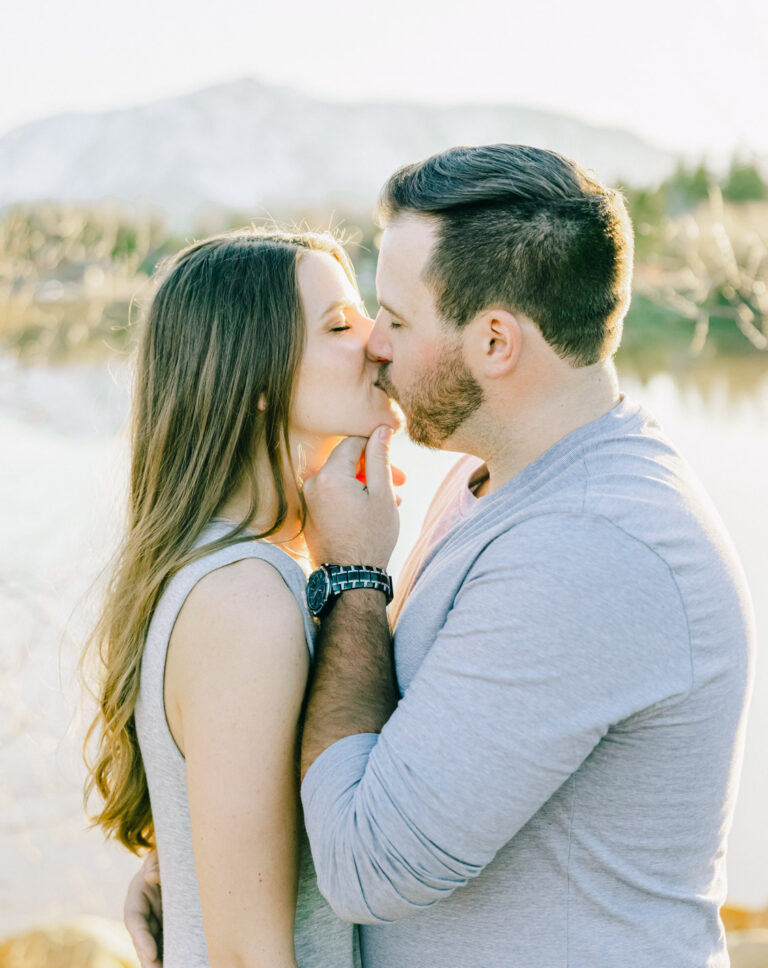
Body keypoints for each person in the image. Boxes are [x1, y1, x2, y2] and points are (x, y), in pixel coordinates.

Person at [127, 145, 755, 968]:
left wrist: (352, 578)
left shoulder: (595, 546)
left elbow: (366, 866)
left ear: (495, 341)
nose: (376, 346)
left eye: (393, 317)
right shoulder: (487, 480)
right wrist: (209, 842)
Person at [83, 228, 402, 968]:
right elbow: (247, 956)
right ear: (256, 379)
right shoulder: (243, 599)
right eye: (338, 326)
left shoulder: (241, 570)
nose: (377, 341)